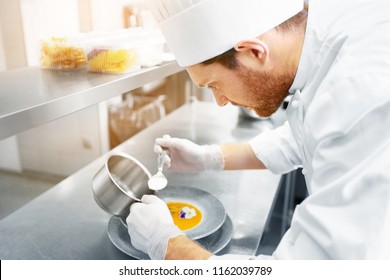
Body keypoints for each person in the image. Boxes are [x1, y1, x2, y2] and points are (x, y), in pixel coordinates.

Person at [126, 0, 390, 260]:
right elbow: (305, 137)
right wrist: (209, 157)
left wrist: (165, 244)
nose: (221, 101)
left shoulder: (361, 92)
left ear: (254, 51)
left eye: (214, 84)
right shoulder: (329, 33)